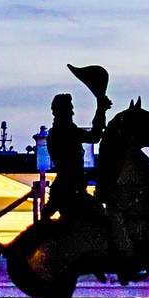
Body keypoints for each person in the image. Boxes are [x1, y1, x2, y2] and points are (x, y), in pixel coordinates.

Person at [44, 91, 109, 222]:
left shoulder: (60, 132)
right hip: (70, 189)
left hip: (66, 187)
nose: (72, 113)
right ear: (61, 112)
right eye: (69, 110)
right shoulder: (66, 132)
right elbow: (94, 137)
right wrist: (101, 110)